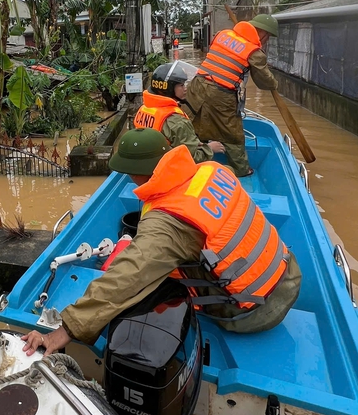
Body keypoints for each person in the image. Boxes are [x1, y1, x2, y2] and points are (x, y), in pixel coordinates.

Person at [23, 128, 301, 355]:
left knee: (148, 283)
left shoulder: (169, 223)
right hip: (287, 273)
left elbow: (127, 277)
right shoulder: (210, 170)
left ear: (134, 173)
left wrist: (65, 329)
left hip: (253, 311)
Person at [184, 14, 280, 177]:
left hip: (197, 84)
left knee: (192, 121)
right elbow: (264, 82)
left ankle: (190, 161)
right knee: (231, 133)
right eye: (268, 36)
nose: (267, 40)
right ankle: (242, 170)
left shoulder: (222, 34)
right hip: (220, 93)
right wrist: (274, 84)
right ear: (262, 33)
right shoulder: (254, 53)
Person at [134, 61, 225, 162]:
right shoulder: (178, 122)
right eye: (181, 85)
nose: (185, 88)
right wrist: (210, 148)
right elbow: (192, 158)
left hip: (149, 161)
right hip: (168, 166)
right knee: (227, 168)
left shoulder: (144, 109)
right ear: (169, 89)